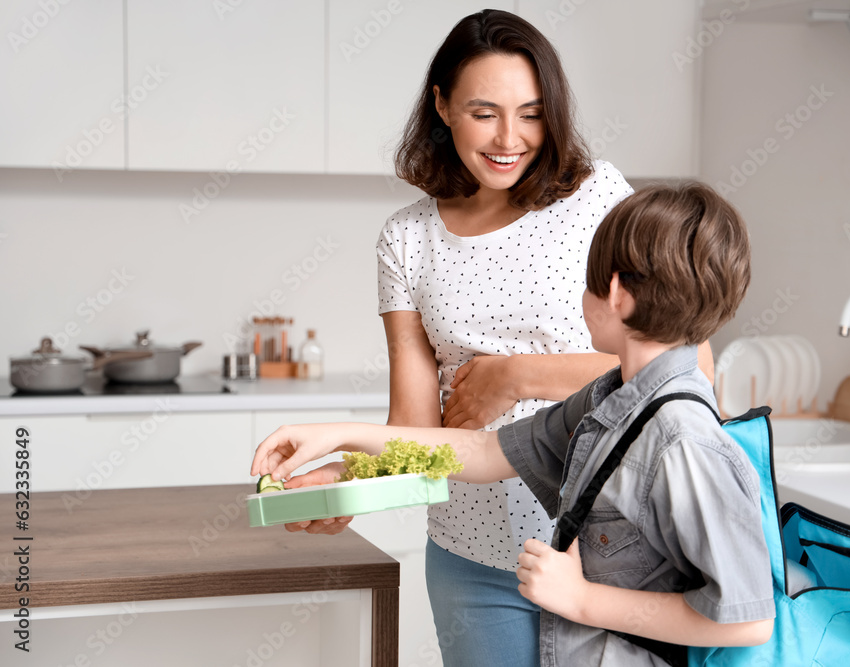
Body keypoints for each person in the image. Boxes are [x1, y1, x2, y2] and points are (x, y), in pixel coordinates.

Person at [282, 9, 711, 666]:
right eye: (484, 112)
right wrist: (347, 483)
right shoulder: (407, 240)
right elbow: (416, 426)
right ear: (442, 106)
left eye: (532, 113)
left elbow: (692, 362)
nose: (510, 137)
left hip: (610, 552)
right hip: (474, 557)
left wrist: (516, 375)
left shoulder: (597, 199)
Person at [252, 183, 775, 666]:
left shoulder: (684, 439)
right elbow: (482, 454)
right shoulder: (608, 398)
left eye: (584, 282)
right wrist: (341, 437)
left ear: (614, 293)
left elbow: (747, 621)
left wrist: (581, 599)